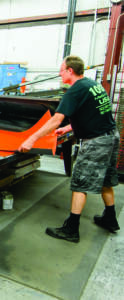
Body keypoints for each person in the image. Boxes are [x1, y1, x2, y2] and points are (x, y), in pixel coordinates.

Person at [18, 55, 120, 243]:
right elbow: (94, 113)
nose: (59, 73)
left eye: (62, 69)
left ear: (70, 71)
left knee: (79, 183)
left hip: (97, 142)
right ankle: (110, 218)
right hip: (111, 136)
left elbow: (55, 119)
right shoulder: (92, 85)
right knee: (106, 179)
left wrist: (32, 138)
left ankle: (71, 229)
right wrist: (69, 127)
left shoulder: (74, 91)